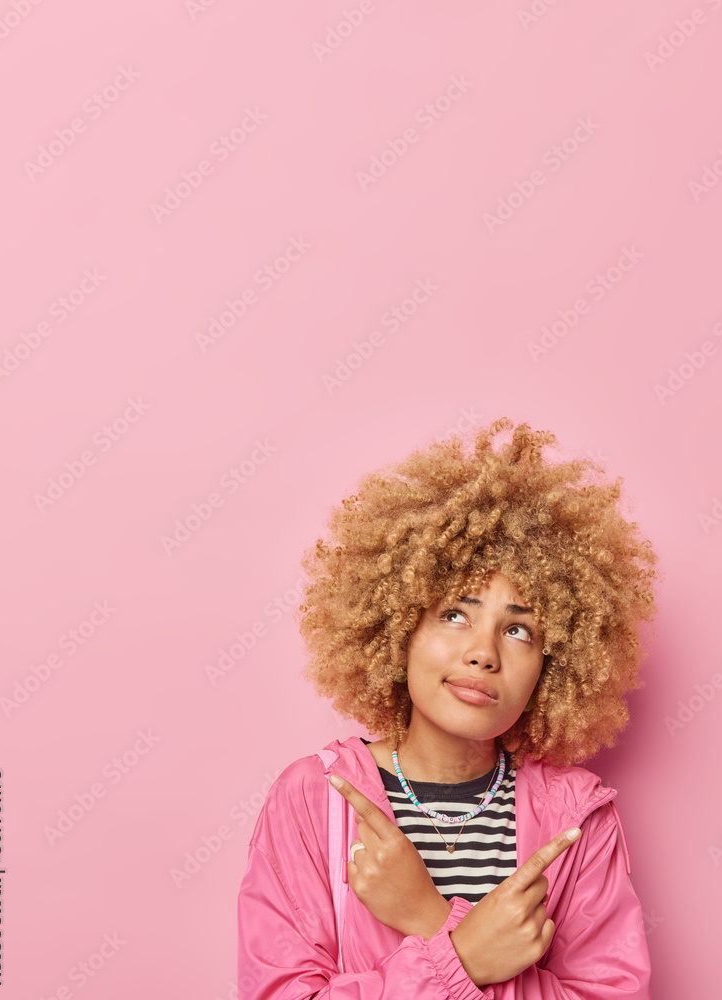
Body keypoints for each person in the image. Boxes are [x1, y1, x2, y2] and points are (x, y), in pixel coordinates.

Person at [236, 417, 658, 998]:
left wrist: (431, 921)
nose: (483, 653)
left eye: (518, 631)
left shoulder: (576, 822)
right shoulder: (314, 800)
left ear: (552, 666)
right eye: (454, 615)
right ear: (399, 625)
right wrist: (465, 957)